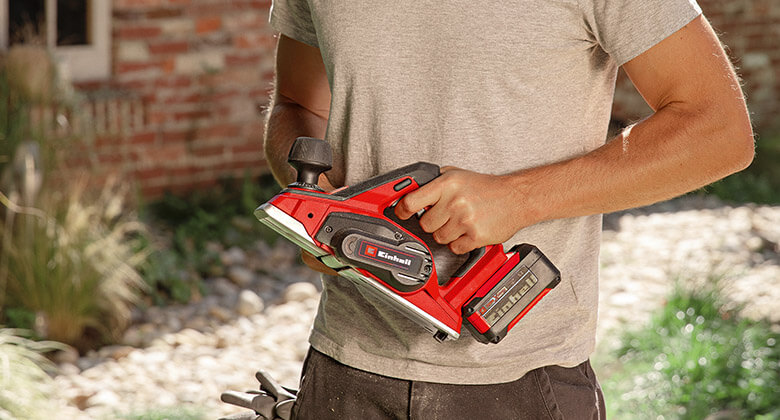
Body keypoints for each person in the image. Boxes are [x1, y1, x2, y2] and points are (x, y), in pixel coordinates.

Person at [262, 0, 754, 418]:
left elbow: (717, 129)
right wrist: (321, 209)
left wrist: (520, 197)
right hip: (343, 365)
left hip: (518, 379)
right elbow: (297, 104)